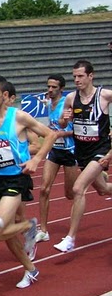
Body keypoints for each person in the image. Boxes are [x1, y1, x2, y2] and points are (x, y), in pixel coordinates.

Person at [0, 76, 57, 288]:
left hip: (16, 178)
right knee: (4, 232)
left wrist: (36, 160)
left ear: (5, 96)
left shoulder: (19, 117)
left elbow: (50, 135)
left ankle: (28, 225)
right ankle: (31, 269)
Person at [54, 60, 112, 252]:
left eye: (80, 76)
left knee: (78, 188)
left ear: (90, 76)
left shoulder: (104, 95)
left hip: (100, 149)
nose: (77, 80)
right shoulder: (71, 98)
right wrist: (65, 119)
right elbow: (62, 123)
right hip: (82, 152)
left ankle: (70, 238)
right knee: (103, 189)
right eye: (74, 77)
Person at [36, 74, 78, 242]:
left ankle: (95, 177)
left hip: (69, 150)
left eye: (53, 87)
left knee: (70, 194)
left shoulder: (66, 104)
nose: (50, 90)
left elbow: (76, 130)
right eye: (48, 87)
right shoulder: (49, 104)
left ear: (61, 89)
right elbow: (52, 126)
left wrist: (61, 133)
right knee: (44, 189)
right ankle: (43, 230)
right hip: (54, 151)